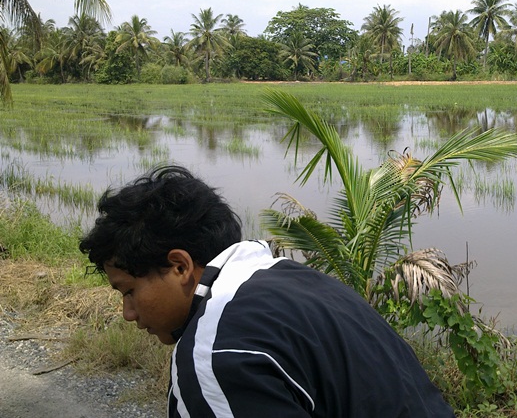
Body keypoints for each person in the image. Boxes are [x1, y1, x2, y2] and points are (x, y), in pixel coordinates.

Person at [80, 165, 455, 417]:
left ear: (179, 267)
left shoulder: (214, 354)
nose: (128, 313)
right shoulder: (296, 279)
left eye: (128, 291)